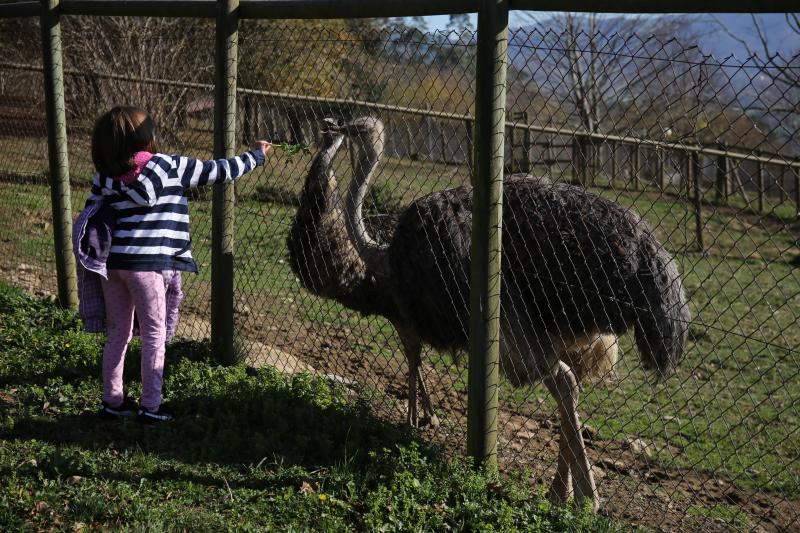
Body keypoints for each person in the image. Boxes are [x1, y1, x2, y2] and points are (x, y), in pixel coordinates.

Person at [89, 105, 270, 424]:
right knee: (154, 333)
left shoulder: (104, 176)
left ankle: (112, 401)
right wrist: (255, 156)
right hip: (148, 266)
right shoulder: (169, 166)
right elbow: (220, 171)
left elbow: (93, 214)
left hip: (113, 264)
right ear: (146, 139)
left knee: (118, 331)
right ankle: (151, 406)